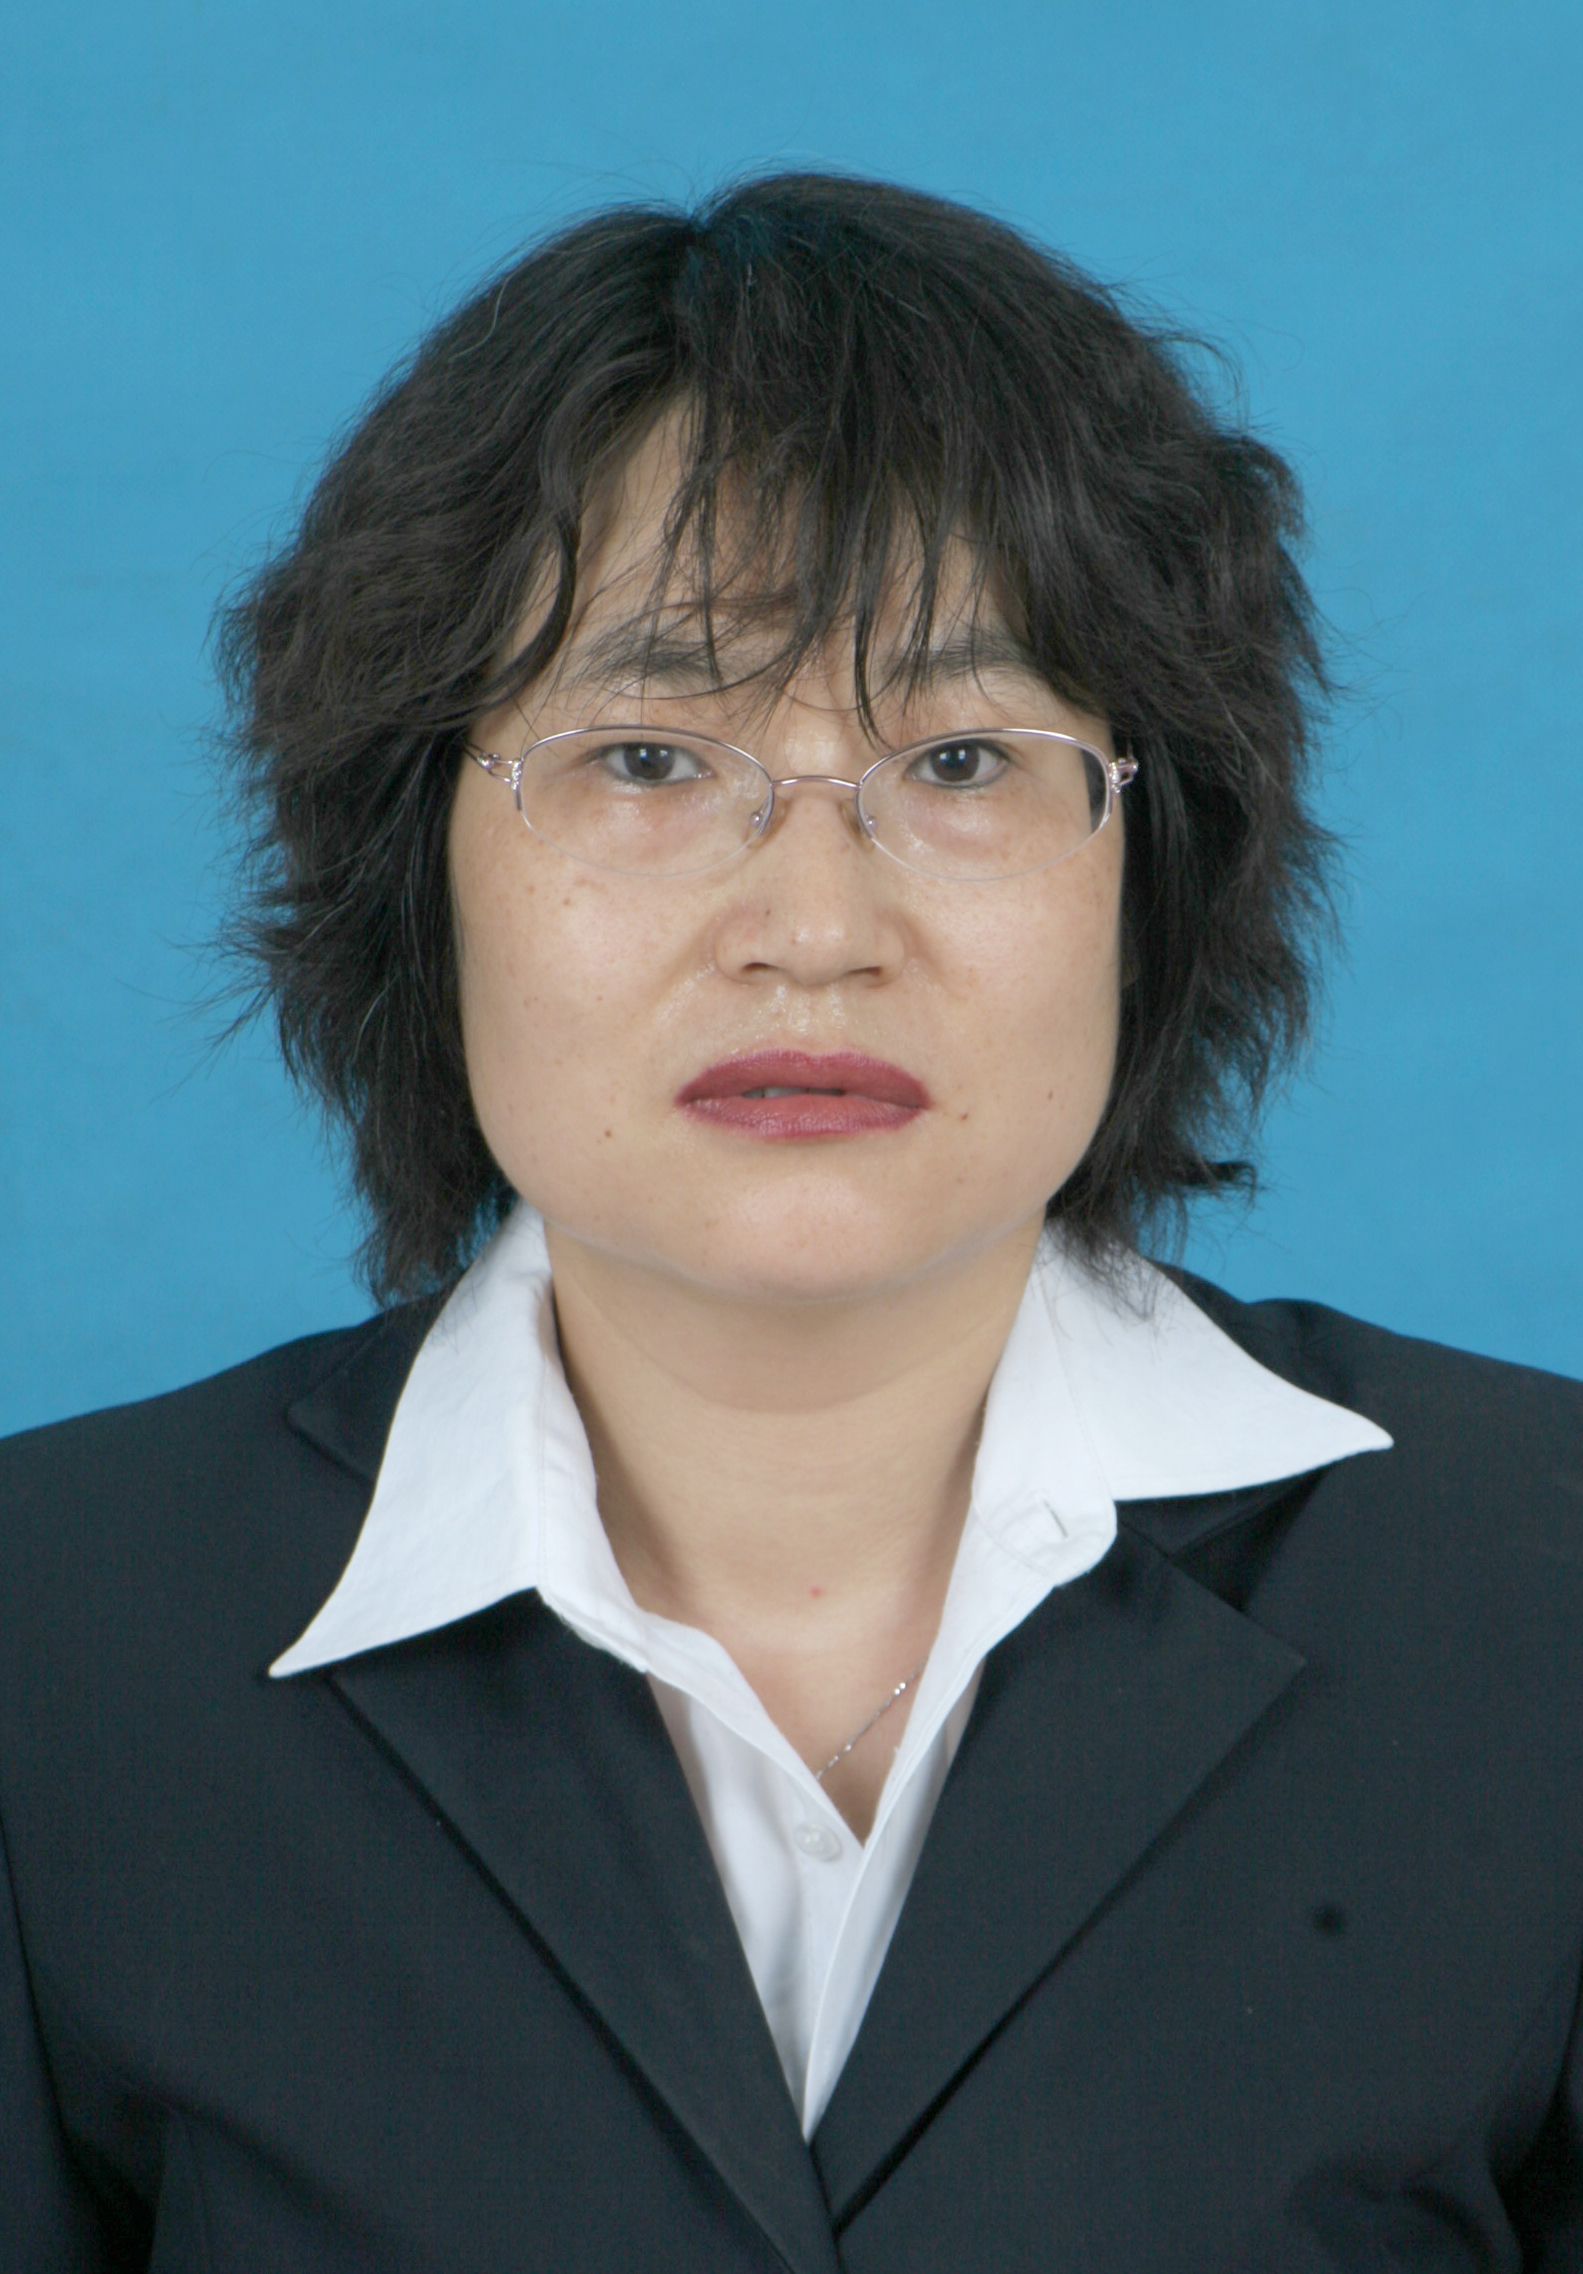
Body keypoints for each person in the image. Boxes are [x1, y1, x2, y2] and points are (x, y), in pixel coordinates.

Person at [1, 171, 1578, 2274]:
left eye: (963, 758)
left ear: (1156, 861)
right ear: (411, 853)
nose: (815, 928)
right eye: (652, 756)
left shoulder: (1543, 1594)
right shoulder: (54, 1640)